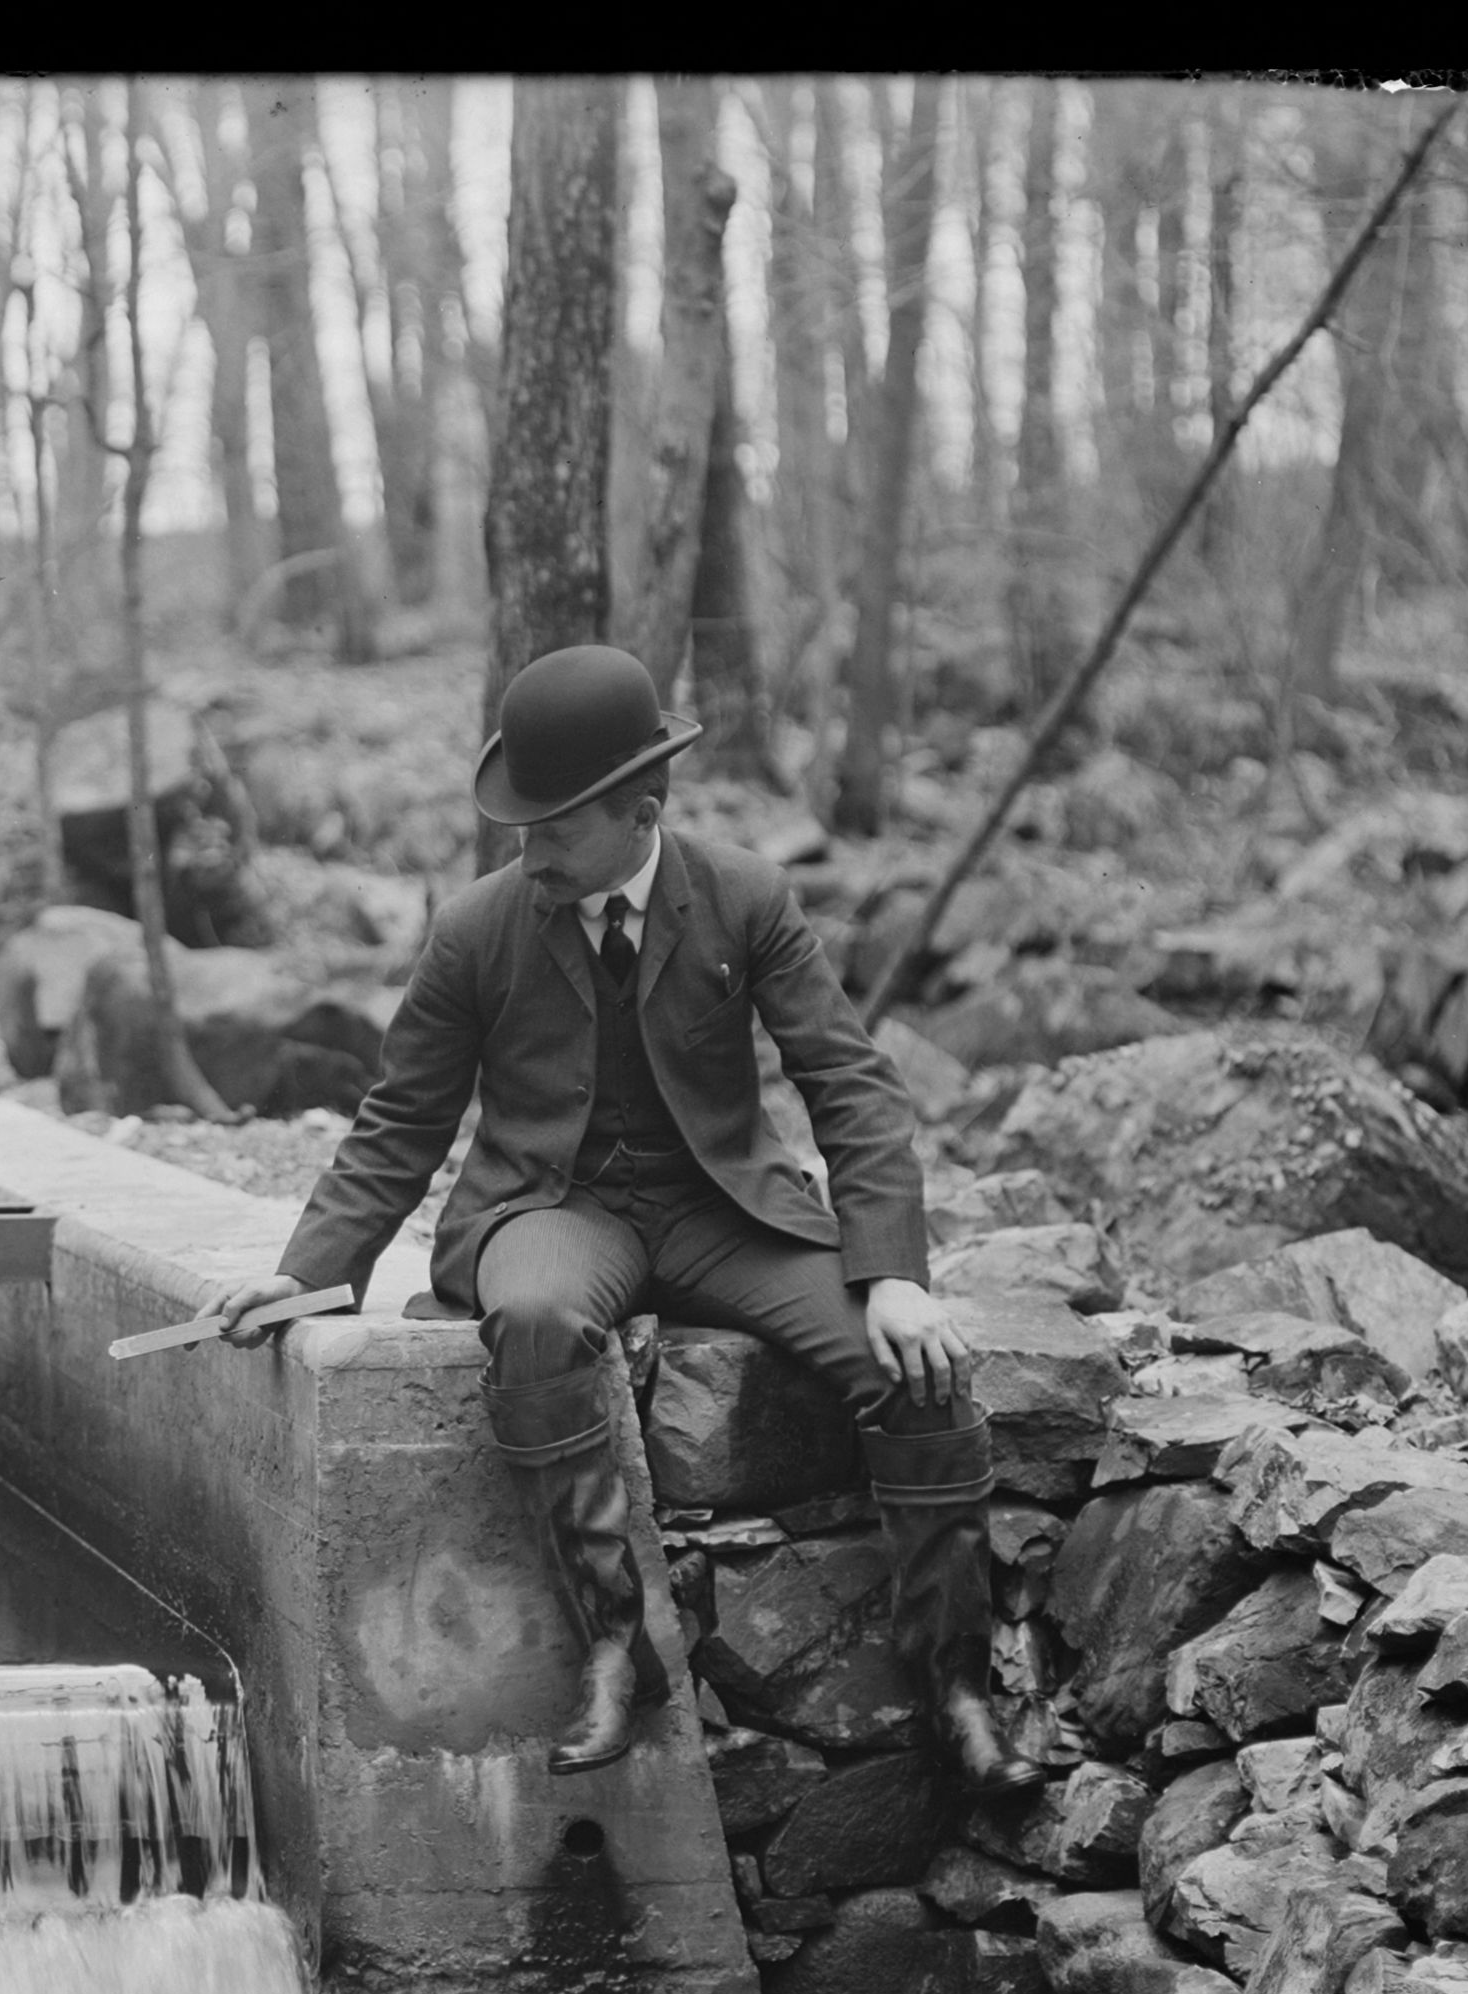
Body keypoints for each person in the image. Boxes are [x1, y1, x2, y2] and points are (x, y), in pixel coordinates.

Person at [204, 642, 1019, 1788]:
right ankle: (611, 1651)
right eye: (520, 826)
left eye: (554, 827)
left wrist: (892, 1273)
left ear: (642, 813)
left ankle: (957, 1685)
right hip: (554, 1205)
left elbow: (850, 1083)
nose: (529, 850)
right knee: (534, 1321)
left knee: (915, 1365)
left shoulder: (743, 895)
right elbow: (401, 1123)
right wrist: (308, 1273)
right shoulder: (476, 929)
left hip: (724, 1211)